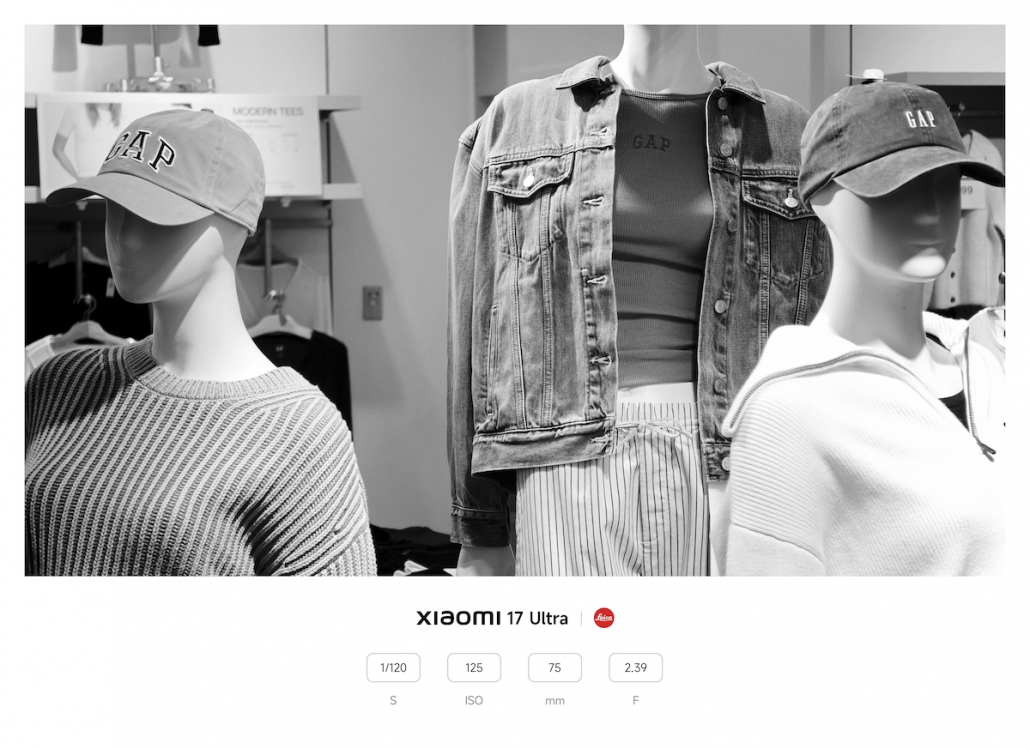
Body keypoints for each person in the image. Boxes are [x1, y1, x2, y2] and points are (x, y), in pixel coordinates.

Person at [447, 25, 830, 576]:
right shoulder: (517, 121)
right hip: (564, 454)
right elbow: (475, 331)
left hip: (731, 454)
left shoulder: (787, 132)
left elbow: (815, 328)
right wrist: (479, 526)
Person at [28, 109, 376, 576]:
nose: (123, 235)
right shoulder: (58, 383)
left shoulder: (297, 433)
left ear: (233, 224)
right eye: (113, 205)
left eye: (152, 212)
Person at [712, 75, 1005, 575]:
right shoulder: (789, 414)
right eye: (898, 183)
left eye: (946, 181)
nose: (932, 209)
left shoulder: (991, 365)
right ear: (821, 197)